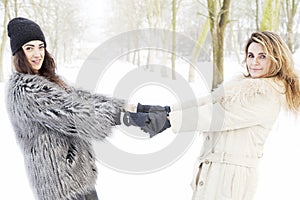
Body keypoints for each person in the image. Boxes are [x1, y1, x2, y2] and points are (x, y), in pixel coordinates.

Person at [125, 31, 300, 199]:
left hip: (231, 181)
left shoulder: (267, 95)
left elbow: (216, 116)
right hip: (216, 173)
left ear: (277, 59)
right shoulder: (241, 86)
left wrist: (168, 120)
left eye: (263, 56)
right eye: (251, 55)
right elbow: (206, 102)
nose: (254, 62)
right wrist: (161, 110)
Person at [5, 17, 128, 200]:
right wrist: (122, 117)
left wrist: (129, 108)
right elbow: (73, 114)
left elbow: (81, 98)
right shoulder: (24, 91)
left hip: (79, 178)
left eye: (40, 46)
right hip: (60, 187)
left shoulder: (50, 80)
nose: (37, 53)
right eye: (29, 48)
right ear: (18, 53)